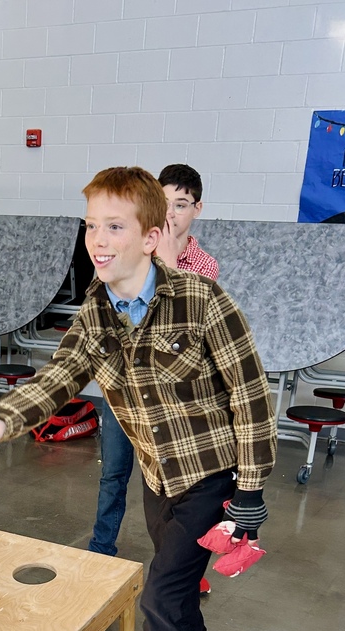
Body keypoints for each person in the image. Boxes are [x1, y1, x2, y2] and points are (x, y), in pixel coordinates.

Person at [0, 166, 276, 631]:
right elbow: (55, 381)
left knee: (164, 589)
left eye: (114, 225)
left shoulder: (202, 303)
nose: (98, 239)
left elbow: (249, 397)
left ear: (150, 235)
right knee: (178, 576)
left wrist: (250, 491)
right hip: (157, 475)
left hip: (211, 472)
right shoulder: (95, 313)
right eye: (91, 226)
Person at [87, 164, 218, 605]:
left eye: (181, 205)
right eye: (164, 204)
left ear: (196, 209)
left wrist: (164, 262)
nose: (171, 214)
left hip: (174, 401)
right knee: (114, 473)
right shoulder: (128, 255)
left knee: (172, 491)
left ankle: (179, 568)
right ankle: (101, 550)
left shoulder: (203, 265)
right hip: (124, 389)